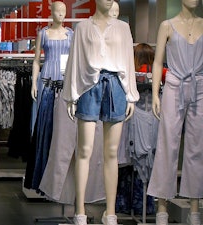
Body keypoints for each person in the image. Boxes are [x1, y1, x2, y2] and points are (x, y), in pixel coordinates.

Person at [62, 0, 139, 224]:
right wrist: (71, 94)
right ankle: (80, 211)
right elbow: (74, 62)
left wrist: (131, 94)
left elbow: (128, 60)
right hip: (88, 87)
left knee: (111, 153)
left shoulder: (123, 28)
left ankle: (111, 212)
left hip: (116, 86)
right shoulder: (82, 27)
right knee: (84, 150)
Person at [147, 0, 203, 224]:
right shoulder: (167, 25)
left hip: (200, 87)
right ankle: (162, 207)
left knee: (196, 147)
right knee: (167, 144)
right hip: (173, 86)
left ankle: (195, 208)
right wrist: (154, 94)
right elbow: (157, 62)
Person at [24, 1, 74, 191]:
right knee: (45, 129)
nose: (61, 14)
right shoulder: (43, 33)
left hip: (66, 84)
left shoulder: (71, 34)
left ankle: (63, 180)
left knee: (64, 130)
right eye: (57, 11)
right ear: (51, 13)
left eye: (63, 11)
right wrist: (34, 82)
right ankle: (41, 178)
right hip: (46, 83)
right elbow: (37, 61)